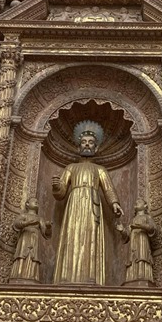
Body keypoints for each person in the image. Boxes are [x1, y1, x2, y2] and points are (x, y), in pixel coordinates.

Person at [52, 121, 123, 285]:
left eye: (91, 142)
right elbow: (61, 192)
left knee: (91, 237)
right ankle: (66, 277)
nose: (87, 145)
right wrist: (56, 187)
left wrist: (114, 203)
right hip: (74, 204)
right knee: (71, 236)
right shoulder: (71, 167)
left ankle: (91, 276)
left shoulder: (100, 169)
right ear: (78, 147)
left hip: (92, 204)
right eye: (84, 142)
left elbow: (108, 188)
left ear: (96, 148)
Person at [10, 197, 52, 283]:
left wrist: (48, 227)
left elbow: (46, 234)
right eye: (34, 201)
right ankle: (18, 275)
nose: (36, 202)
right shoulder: (23, 215)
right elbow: (16, 224)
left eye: (37, 202)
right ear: (27, 204)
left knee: (33, 257)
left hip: (35, 239)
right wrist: (27, 223)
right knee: (22, 255)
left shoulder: (39, 218)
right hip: (25, 238)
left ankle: (32, 277)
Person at [116, 199, 156, 286]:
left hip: (142, 240)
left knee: (142, 256)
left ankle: (143, 276)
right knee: (132, 258)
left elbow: (152, 228)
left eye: (140, 202)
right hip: (133, 242)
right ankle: (132, 277)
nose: (137, 203)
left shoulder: (147, 217)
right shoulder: (133, 220)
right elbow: (127, 235)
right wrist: (122, 230)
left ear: (145, 206)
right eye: (136, 202)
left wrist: (141, 226)